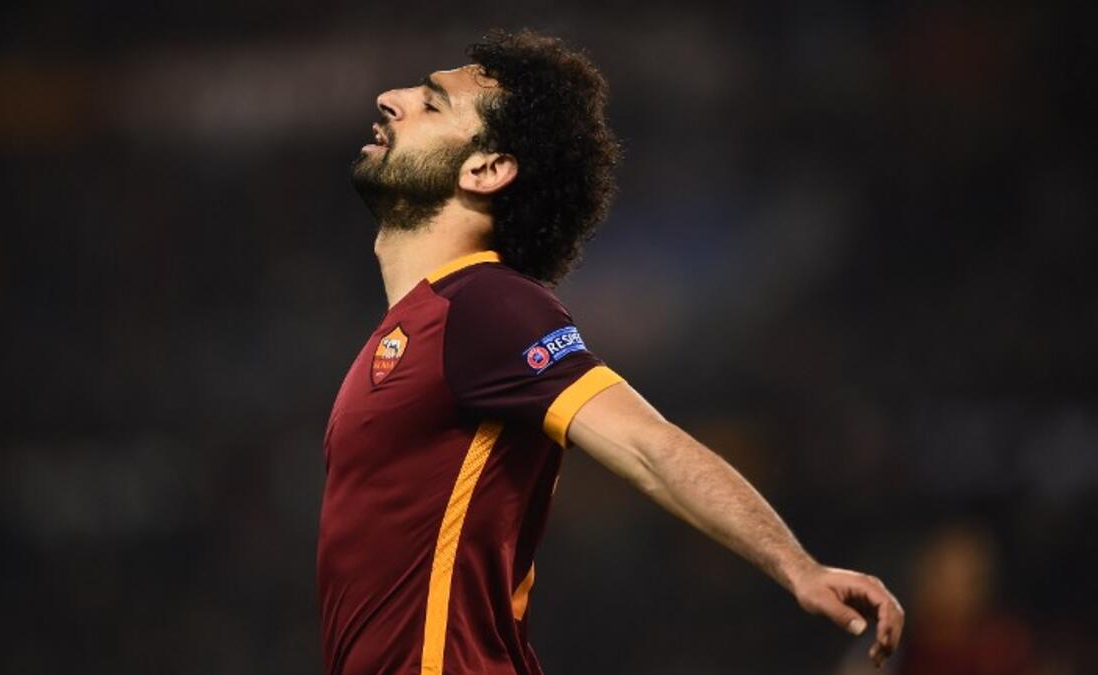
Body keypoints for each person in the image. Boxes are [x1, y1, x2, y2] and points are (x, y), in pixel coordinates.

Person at [316, 28, 904, 675]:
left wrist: (797, 565)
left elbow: (648, 444)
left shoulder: (488, 306)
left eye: (431, 104)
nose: (389, 99)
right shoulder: (416, 327)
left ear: (486, 168)